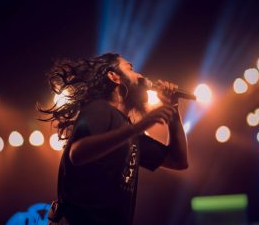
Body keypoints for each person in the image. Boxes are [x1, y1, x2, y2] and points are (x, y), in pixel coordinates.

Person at [40, 53, 188, 225]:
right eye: (131, 69)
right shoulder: (99, 108)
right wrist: (139, 127)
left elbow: (178, 161)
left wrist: (173, 108)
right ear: (114, 76)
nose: (141, 75)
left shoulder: (129, 131)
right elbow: (78, 153)